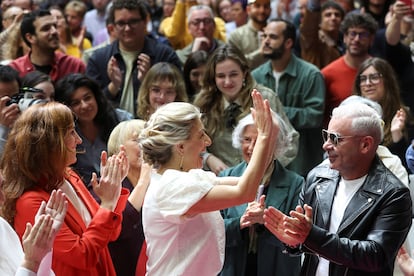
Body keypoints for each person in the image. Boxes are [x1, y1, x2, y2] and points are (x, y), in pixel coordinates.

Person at [263, 102, 412, 276]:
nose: (326, 146)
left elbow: (374, 256)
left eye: (335, 138)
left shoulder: (394, 194)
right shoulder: (317, 177)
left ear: (365, 145)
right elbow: (305, 240)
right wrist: (294, 242)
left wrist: (311, 236)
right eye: (325, 136)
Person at [140, 90, 279, 275]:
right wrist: (262, 137)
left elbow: (248, 183)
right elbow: (244, 192)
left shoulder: (186, 178)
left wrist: (268, 139)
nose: (208, 141)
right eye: (200, 136)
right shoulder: (171, 187)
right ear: (180, 146)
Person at [0, 101, 130, 276]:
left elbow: (111, 233)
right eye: (71, 132)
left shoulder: (69, 175)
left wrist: (113, 193)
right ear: (49, 144)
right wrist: (107, 204)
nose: (79, 140)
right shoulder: (29, 202)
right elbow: (82, 256)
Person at [193, 44, 298, 174]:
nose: (227, 82)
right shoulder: (204, 103)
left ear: (245, 73)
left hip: (260, 179)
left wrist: (266, 168)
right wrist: (207, 158)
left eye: (233, 74)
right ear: (213, 78)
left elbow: (290, 140)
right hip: (220, 181)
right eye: (221, 76)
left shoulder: (264, 98)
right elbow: (191, 143)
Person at [219, 113, 303, 276]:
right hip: (232, 268)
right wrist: (241, 222)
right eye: (247, 140)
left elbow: (297, 240)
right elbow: (211, 233)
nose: (251, 148)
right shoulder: (225, 178)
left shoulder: (296, 184)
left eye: (259, 142)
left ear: (277, 146)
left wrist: (265, 222)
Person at [252, 18, 326, 177]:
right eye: (264, 36)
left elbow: (314, 116)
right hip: (265, 158)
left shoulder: (311, 74)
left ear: (288, 43)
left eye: (272, 37)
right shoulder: (256, 76)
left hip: (302, 160)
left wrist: (275, 112)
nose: (265, 41)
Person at [85, 0, 181, 115]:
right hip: (112, 130)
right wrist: (113, 86)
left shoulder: (165, 55)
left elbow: (179, 101)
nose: (127, 28)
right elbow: (91, 108)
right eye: (121, 23)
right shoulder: (98, 59)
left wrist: (148, 81)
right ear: (113, 28)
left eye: (133, 22)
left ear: (146, 21)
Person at [55, 73, 132, 189]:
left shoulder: (122, 120)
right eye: (76, 103)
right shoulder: (65, 134)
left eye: (87, 98)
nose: (84, 106)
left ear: (96, 97)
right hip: (86, 195)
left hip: (126, 188)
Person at [352, 57, 413, 169]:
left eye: (374, 77)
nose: (368, 83)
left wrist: (396, 134)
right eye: (363, 79)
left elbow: (406, 166)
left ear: (387, 81)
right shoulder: (350, 115)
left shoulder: (403, 116)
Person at [107, 119, 150, 276]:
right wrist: (143, 181)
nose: (146, 144)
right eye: (137, 139)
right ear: (119, 149)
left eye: (149, 138)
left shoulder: (160, 181)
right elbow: (118, 228)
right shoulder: (106, 185)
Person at [321, 12, 378, 128]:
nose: (356, 39)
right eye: (352, 34)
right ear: (344, 37)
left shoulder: (380, 70)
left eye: (363, 35)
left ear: (371, 39)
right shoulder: (327, 73)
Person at [0, 185, 68, 276]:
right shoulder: (27, 201)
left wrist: (43, 240)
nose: (3, 198)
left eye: (1, 186)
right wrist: (31, 262)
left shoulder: (2, 225)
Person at [9, 9, 86, 82]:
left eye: (55, 26)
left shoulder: (74, 66)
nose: (54, 31)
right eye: (46, 28)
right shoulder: (15, 70)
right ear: (30, 38)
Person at [159, 0, 226, 50]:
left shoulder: (218, 22)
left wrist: (205, 8)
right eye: (196, 22)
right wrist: (181, 3)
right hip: (186, 59)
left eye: (169, 4)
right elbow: (174, 37)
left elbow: (218, 40)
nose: (201, 27)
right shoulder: (167, 22)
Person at [300, 0, 345, 69]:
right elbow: (308, 29)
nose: (333, 18)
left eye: (337, 15)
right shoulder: (314, 40)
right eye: (328, 15)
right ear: (319, 22)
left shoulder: (346, 41)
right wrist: (314, 4)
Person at [227, 0, 271, 70]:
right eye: (257, 6)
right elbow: (235, 65)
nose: (262, 10)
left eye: (266, 6)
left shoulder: (277, 33)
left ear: (270, 9)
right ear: (248, 9)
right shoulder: (236, 35)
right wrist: (260, 53)